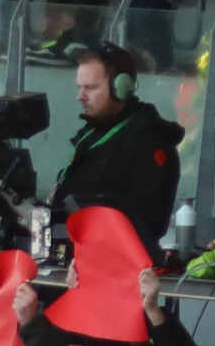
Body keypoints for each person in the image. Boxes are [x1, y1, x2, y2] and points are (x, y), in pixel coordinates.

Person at [45, 44, 183, 247]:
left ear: (121, 88)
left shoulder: (149, 142)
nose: (80, 96)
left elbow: (149, 224)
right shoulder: (91, 136)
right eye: (80, 87)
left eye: (91, 88)